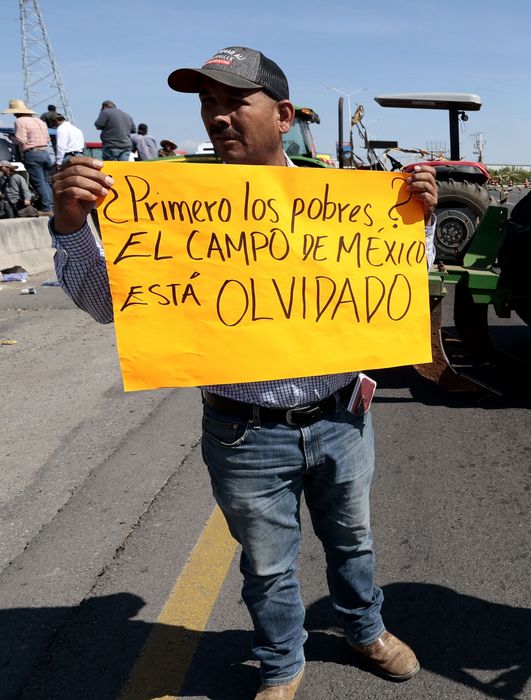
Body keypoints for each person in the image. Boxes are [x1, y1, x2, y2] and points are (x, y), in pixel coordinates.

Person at [50, 46, 439, 700]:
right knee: (267, 567)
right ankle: (283, 665)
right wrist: (69, 226)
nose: (218, 117)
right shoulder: (168, 202)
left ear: (282, 114)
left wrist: (417, 225)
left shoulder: (341, 199)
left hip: (342, 418)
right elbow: (101, 302)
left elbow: (396, 287)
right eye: (208, 104)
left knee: (353, 543)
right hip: (243, 434)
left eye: (235, 101)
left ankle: (364, 629)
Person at [5, 99, 55, 213]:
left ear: (16, 112)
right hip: (45, 153)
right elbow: (48, 139)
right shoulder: (40, 121)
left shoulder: (20, 121)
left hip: (32, 154)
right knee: (46, 182)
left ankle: (46, 208)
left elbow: (21, 140)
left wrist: (12, 138)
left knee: (39, 183)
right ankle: (52, 207)